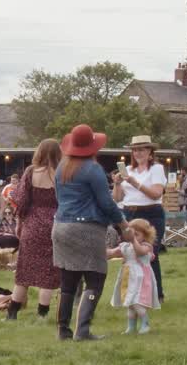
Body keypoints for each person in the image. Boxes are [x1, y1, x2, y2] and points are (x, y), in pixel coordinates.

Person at [52, 124, 130, 341]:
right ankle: (83, 330)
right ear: (93, 147)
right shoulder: (92, 169)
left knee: (68, 281)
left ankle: (63, 330)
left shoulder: (61, 168)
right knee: (95, 278)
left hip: (60, 227)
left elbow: (58, 199)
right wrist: (123, 225)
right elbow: (106, 203)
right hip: (86, 229)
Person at [6, 139, 62, 321]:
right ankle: (42, 315)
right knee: (48, 272)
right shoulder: (61, 174)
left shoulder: (31, 172)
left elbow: (21, 201)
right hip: (54, 225)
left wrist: (19, 223)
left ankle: (12, 313)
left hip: (32, 225)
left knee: (24, 271)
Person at [112, 136, 168, 300]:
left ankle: (156, 294)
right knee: (131, 253)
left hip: (151, 213)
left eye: (142, 149)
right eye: (135, 150)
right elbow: (117, 198)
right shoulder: (128, 170)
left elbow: (156, 194)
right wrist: (116, 183)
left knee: (150, 254)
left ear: (150, 151)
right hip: (130, 213)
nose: (138, 153)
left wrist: (135, 183)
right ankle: (133, 293)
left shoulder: (156, 168)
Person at [109, 218, 159, 334]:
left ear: (145, 235)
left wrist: (133, 240)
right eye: (130, 234)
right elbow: (112, 253)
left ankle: (145, 324)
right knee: (130, 305)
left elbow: (140, 251)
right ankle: (131, 327)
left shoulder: (146, 246)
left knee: (137, 303)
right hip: (128, 278)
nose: (133, 237)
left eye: (136, 234)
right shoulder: (125, 246)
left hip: (140, 280)